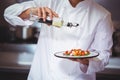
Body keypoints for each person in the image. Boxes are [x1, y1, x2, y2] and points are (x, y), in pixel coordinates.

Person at [4, 0, 113, 80]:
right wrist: (31, 12)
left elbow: (103, 57)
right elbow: (8, 13)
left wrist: (85, 60)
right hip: (42, 75)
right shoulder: (49, 2)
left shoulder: (102, 15)